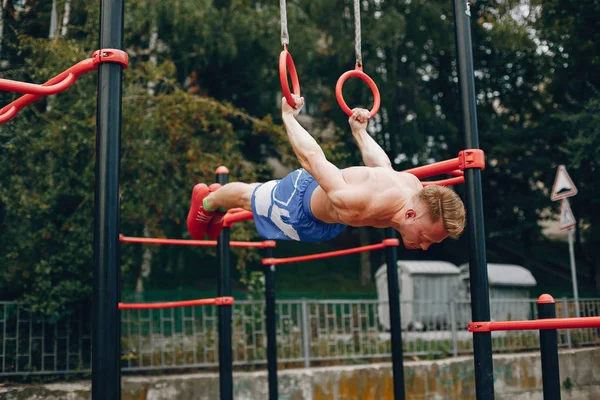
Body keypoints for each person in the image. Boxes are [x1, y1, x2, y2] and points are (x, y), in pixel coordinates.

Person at [187, 94, 466, 249]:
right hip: (299, 206)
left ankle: (216, 201)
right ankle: (207, 200)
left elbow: (384, 167)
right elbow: (313, 160)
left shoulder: (413, 187)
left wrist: (360, 133)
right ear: (410, 214)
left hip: (329, 218)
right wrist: (288, 117)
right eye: (427, 238)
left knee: (254, 195)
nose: (425, 246)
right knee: (250, 196)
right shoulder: (361, 202)